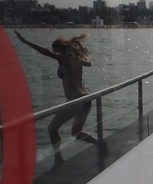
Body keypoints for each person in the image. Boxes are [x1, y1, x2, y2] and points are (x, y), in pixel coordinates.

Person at [15, 30, 98, 166]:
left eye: (57, 51)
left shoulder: (64, 58)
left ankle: (58, 159)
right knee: (76, 133)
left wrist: (27, 42)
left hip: (75, 99)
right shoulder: (77, 59)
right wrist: (83, 55)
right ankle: (99, 143)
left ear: (60, 49)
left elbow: (46, 52)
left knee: (52, 129)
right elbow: (88, 63)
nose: (56, 54)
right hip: (85, 99)